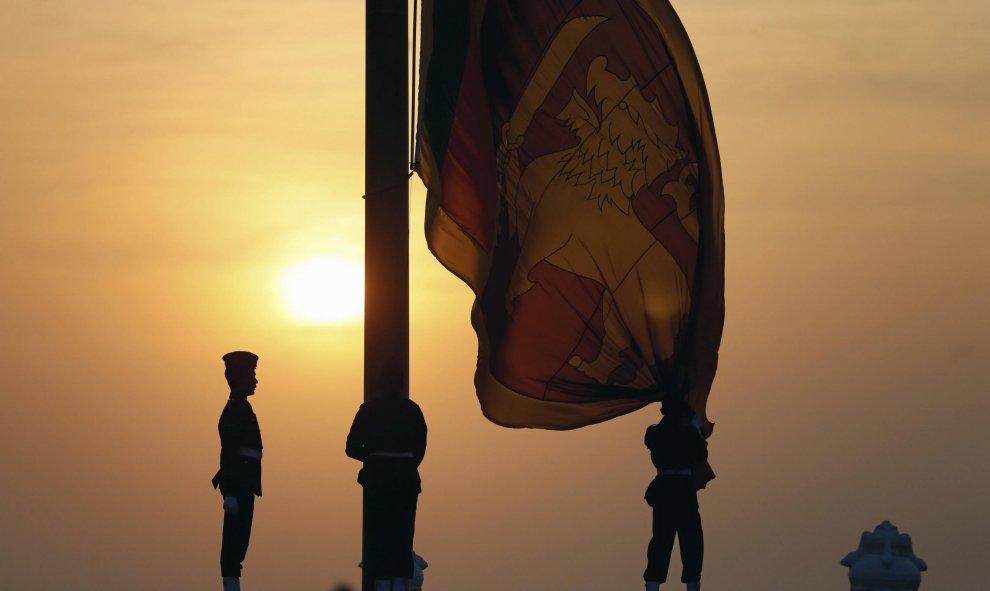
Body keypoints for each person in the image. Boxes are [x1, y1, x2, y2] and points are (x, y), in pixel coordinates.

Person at [346, 391, 427, 591]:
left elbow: (351, 447)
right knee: (402, 534)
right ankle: (399, 582)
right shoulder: (412, 409)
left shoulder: (369, 410)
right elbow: (420, 447)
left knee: (378, 534)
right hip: (404, 479)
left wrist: (376, 458)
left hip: (377, 479)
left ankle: (382, 582)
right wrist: (402, 462)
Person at [643, 396, 707, 591]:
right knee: (691, 539)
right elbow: (700, 457)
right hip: (682, 489)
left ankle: (652, 585)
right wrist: (696, 429)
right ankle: (692, 584)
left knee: (661, 539)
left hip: (664, 489)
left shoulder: (654, 433)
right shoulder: (687, 433)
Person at [212, 351, 263, 591]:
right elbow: (229, 454)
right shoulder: (233, 411)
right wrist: (229, 492)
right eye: (251, 375)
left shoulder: (242, 408)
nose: (255, 380)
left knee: (240, 540)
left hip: (246, 483)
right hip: (238, 485)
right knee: (233, 543)